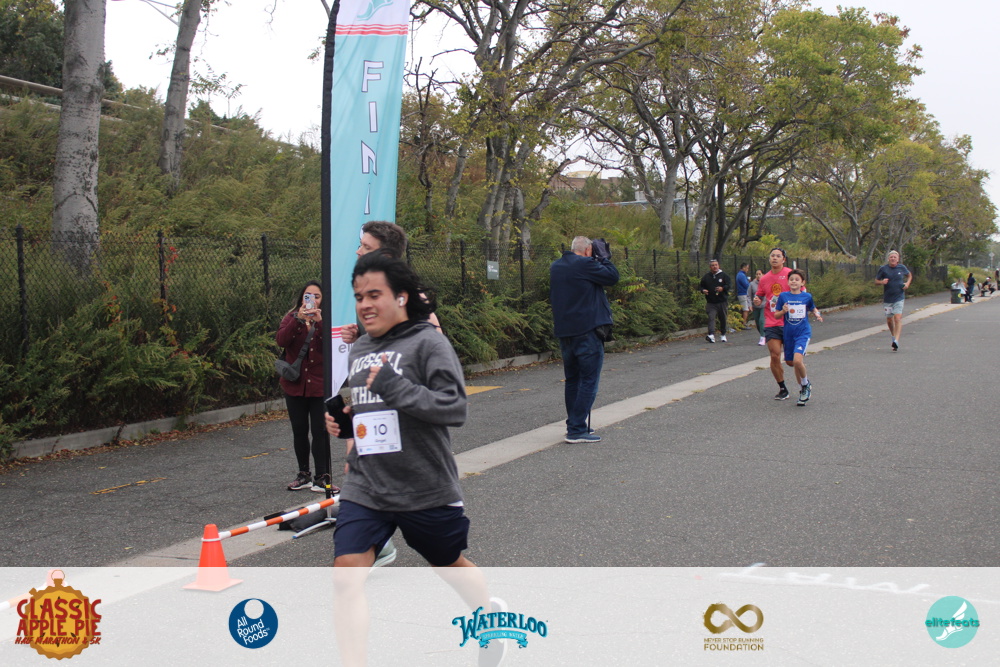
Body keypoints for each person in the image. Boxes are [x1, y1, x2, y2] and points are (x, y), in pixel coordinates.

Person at [325, 252, 506, 667]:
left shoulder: (428, 342)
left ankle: (489, 617)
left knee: (449, 563)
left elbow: (454, 408)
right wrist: (346, 420)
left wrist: (396, 387)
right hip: (368, 485)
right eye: (359, 296)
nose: (365, 305)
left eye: (375, 295)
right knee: (346, 575)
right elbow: (370, 406)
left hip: (423, 485)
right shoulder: (360, 348)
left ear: (401, 297)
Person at [550, 235, 620, 443]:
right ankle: (577, 429)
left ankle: (574, 423)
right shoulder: (585, 264)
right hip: (587, 331)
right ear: (588, 250)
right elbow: (613, 277)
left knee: (573, 380)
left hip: (565, 331)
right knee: (589, 380)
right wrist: (603, 257)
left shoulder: (556, 266)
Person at [276, 281, 335, 493]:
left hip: (319, 385)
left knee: (320, 432)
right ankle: (303, 474)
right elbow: (281, 341)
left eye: (316, 296)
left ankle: (322, 476)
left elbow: (332, 347)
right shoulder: (291, 318)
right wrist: (298, 320)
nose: (312, 300)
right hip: (295, 385)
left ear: (322, 299)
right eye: (308, 296)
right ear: (302, 298)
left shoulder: (327, 320)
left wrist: (319, 324)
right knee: (299, 430)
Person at [774, 269, 823, 406]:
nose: (794, 281)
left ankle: (805, 385)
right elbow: (776, 315)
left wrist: (817, 314)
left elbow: (813, 308)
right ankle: (803, 387)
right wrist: (783, 311)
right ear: (788, 282)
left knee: (797, 360)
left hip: (803, 333)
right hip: (789, 334)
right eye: (791, 279)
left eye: (797, 279)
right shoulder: (783, 296)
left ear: (802, 283)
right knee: (791, 362)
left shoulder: (807, 296)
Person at [754, 248, 793, 399]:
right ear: (769, 258)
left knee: (790, 361)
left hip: (789, 322)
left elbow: (802, 291)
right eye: (772, 256)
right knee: (775, 355)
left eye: (778, 256)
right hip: (772, 321)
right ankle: (782, 388)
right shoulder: (764, 278)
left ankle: (803, 381)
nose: (775, 258)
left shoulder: (790, 274)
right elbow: (759, 295)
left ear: (784, 259)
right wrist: (757, 300)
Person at [874, 250, 912, 350]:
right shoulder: (883, 269)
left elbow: (909, 275)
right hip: (888, 299)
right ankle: (893, 336)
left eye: (895, 257)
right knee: (890, 320)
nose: (893, 258)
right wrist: (882, 282)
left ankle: (896, 341)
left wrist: (907, 283)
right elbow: (876, 281)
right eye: (891, 257)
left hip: (899, 297)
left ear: (898, 259)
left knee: (897, 318)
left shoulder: (902, 268)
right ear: (888, 259)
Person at [699, 258, 731, 343]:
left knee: (722, 318)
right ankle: (711, 335)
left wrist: (722, 288)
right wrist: (703, 290)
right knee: (711, 317)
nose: (715, 267)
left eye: (716, 265)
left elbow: (729, 285)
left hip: (722, 301)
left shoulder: (724, 275)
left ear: (718, 265)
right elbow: (701, 286)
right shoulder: (706, 277)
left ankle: (723, 334)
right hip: (711, 302)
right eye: (713, 265)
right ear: (710, 267)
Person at [748, 269, 766, 345]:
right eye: (757, 274)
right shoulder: (752, 284)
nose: (758, 275)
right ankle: (763, 334)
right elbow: (749, 295)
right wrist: (750, 305)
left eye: (760, 274)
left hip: (764, 305)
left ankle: (762, 337)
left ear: (763, 275)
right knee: (758, 322)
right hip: (755, 306)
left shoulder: (766, 283)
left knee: (762, 321)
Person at [736, 263, 751, 329]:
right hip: (743, 293)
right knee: (745, 309)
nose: (747, 269)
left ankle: (742, 323)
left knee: (744, 309)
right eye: (747, 268)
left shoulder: (741, 275)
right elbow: (746, 285)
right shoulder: (741, 275)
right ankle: (743, 324)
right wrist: (750, 283)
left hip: (742, 293)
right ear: (744, 268)